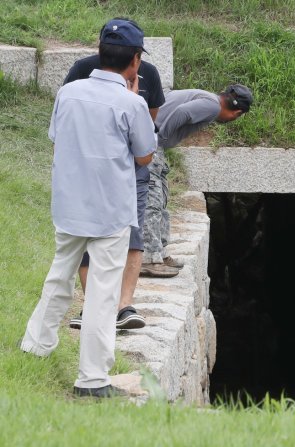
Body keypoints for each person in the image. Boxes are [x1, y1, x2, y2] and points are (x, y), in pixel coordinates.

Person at [20, 19, 156, 398]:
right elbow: (144, 155)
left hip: (69, 203)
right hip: (110, 211)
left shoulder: (70, 92)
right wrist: (134, 99)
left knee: (59, 275)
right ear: (135, 61)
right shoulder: (133, 102)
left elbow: (55, 138)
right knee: (102, 293)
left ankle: (36, 344)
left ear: (99, 52)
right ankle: (92, 378)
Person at [64, 18, 165, 330]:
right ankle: (94, 304)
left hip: (131, 171)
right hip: (89, 169)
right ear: (135, 55)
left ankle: (123, 305)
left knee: (132, 234)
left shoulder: (149, 75)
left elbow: (147, 129)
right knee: (86, 233)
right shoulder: (82, 71)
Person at [141, 84, 253, 276]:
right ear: (237, 112)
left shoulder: (204, 97)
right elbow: (182, 112)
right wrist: (161, 137)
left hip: (150, 143)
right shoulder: (213, 106)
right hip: (150, 144)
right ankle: (148, 258)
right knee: (153, 201)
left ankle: (159, 252)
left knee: (161, 198)